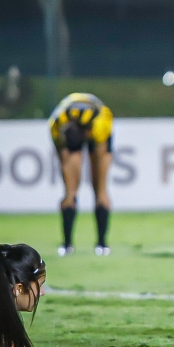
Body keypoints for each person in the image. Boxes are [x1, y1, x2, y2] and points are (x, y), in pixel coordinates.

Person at [48, 92, 114, 257]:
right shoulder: (56, 125)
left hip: (98, 123)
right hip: (69, 128)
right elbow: (63, 158)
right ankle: (67, 244)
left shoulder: (101, 125)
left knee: (100, 189)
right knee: (69, 192)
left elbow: (100, 158)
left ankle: (102, 243)